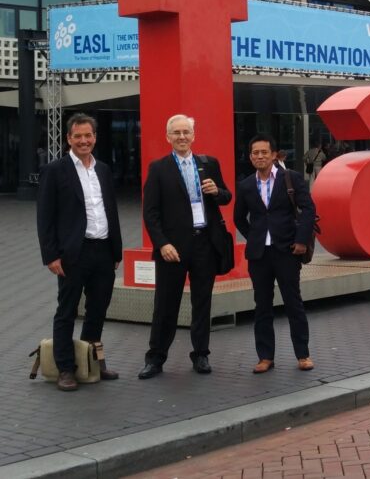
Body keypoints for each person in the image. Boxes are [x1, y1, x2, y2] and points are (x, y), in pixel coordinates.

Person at [138, 114, 232, 379]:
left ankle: (201, 354)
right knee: (166, 304)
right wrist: (163, 243)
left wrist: (217, 192)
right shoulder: (159, 168)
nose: (181, 137)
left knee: (202, 302)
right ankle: (155, 358)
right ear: (168, 137)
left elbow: (226, 197)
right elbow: (150, 213)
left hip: (205, 243)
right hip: (173, 249)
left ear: (193, 135)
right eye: (176, 133)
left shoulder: (208, 164)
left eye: (186, 132)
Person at [36, 113, 122, 391]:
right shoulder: (55, 170)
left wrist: (116, 250)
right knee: (67, 311)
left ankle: (92, 361)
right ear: (68, 139)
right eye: (78, 136)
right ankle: (65, 369)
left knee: (98, 310)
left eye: (88, 136)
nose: (84, 141)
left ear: (95, 138)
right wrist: (50, 256)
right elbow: (45, 218)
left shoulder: (104, 170)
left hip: (104, 250)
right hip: (73, 253)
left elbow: (111, 211)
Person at [234, 133, 316, 373]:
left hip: (287, 251)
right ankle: (265, 357)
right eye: (255, 153)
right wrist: (255, 237)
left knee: (293, 303)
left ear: (273, 155)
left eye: (264, 152)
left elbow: (309, 209)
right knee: (262, 306)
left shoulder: (291, 178)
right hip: (259, 255)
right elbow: (239, 217)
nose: (260, 156)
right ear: (250, 158)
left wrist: (301, 240)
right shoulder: (247, 185)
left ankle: (303, 354)